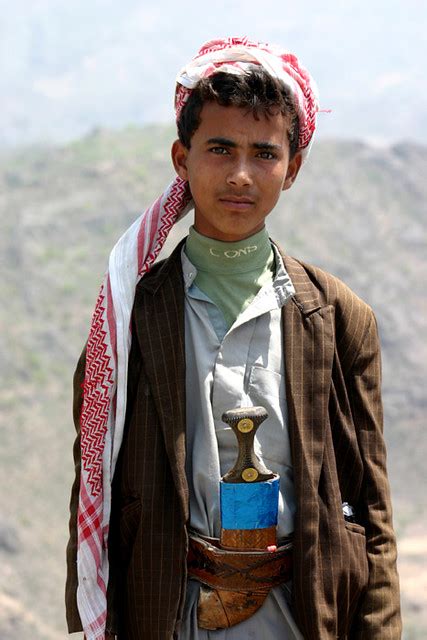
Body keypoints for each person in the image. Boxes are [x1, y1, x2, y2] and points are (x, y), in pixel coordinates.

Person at [65, 37, 401, 639]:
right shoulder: (130, 321)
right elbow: (98, 488)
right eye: (219, 148)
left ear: (291, 168)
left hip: (304, 616)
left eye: (264, 153)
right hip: (170, 615)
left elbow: (369, 510)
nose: (240, 175)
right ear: (181, 158)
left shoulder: (338, 318)